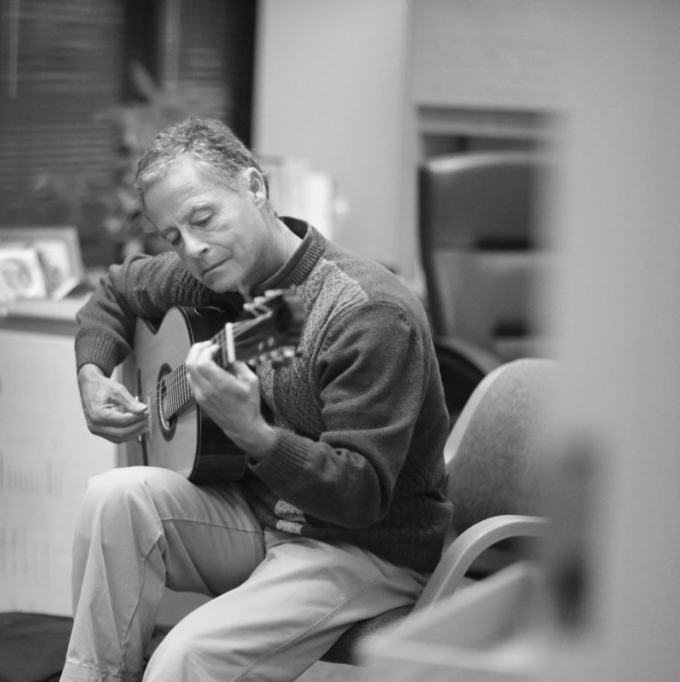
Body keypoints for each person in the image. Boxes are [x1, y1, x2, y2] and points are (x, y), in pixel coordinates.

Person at [62, 117, 452, 682]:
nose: (193, 248)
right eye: (173, 237)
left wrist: (257, 436)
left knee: (183, 660)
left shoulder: (367, 315)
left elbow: (361, 493)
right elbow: (116, 289)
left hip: (362, 546)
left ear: (254, 187)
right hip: (265, 514)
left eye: (203, 218)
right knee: (113, 496)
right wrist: (92, 371)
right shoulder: (212, 277)